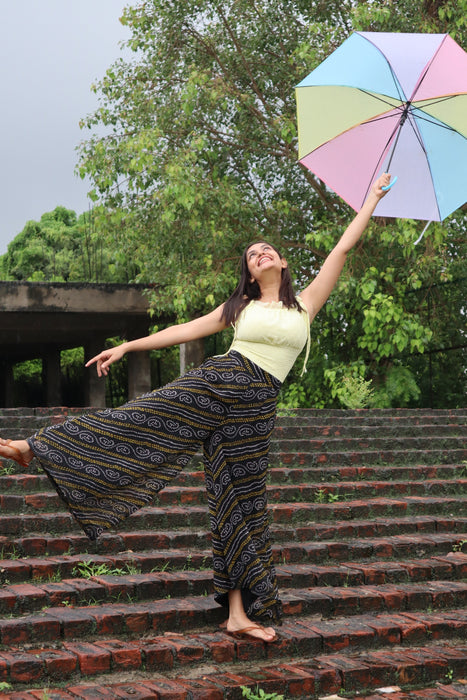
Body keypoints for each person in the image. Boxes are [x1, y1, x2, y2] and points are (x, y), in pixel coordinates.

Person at [0, 173, 392, 643]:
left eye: (268, 249)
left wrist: (369, 198)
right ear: (248, 273)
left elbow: (341, 251)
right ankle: (35, 448)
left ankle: (237, 613)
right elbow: (184, 330)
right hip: (220, 382)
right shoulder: (239, 308)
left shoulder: (305, 306)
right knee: (140, 417)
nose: (261, 253)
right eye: (252, 254)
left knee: (240, 503)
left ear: (283, 263)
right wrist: (127, 348)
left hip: (256, 410)